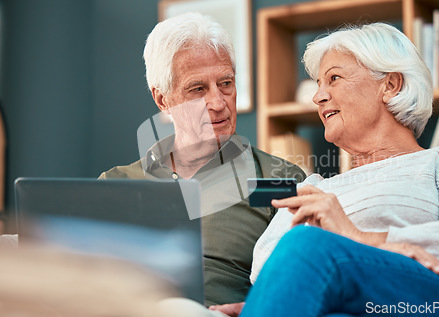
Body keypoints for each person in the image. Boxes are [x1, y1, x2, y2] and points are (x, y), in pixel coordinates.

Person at [211, 22, 439, 316]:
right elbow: (264, 268)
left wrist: (360, 238)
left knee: (307, 243)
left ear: (390, 85)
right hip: (362, 304)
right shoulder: (318, 188)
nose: (318, 96)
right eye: (318, 85)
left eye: (334, 78)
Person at [99, 12, 306, 307]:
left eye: (226, 83)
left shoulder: (278, 179)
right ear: (163, 100)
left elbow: (301, 283)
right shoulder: (115, 184)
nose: (219, 102)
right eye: (198, 89)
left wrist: (260, 309)